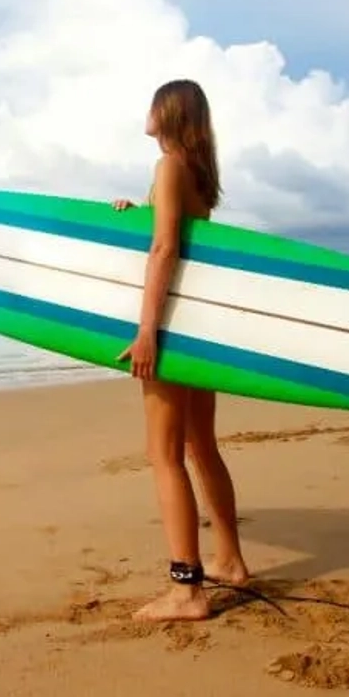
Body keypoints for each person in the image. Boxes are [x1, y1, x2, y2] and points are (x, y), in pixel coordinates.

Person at [112, 78, 249, 623]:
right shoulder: (193, 174)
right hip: (198, 329)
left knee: (164, 456)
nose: (144, 112)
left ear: (166, 113)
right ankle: (231, 562)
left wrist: (147, 331)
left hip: (168, 327)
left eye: (151, 104)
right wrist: (132, 213)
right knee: (201, 448)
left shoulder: (168, 168)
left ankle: (187, 589)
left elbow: (166, 247)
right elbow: (172, 234)